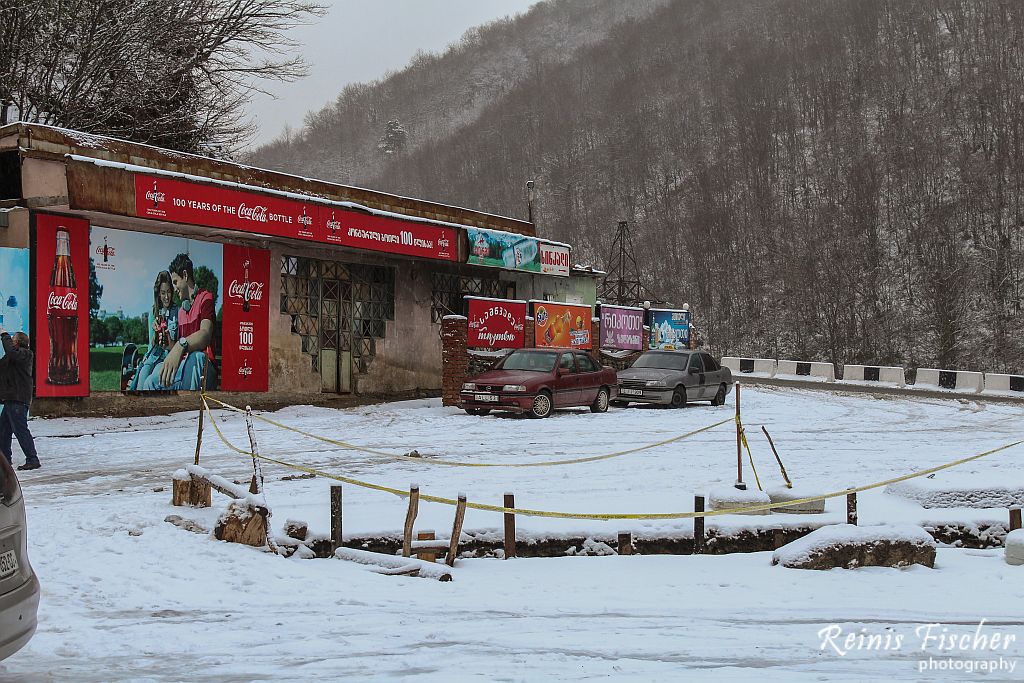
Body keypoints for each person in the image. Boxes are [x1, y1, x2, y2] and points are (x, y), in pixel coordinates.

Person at [143, 253, 217, 391]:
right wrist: (168, 342)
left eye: (175, 282)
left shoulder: (205, 298)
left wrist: (180, 346)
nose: (174, 288)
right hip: (184, 369)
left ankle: (190, 410)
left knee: (196, 357)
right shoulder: (182, 311)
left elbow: (205, 335)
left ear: (185, 275)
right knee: (150, 383)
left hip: (203, 368)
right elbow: (176, 347)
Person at [129, 271, 179, 391]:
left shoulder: (178, 311)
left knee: (149, 383)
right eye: (163, 293)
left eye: (168, 292)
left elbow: (177, 344)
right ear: (158, 294)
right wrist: (156, 333)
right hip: (153, 356)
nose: (166, 297)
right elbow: (152, 345)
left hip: (167, 358)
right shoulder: (153, 312)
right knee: (141, 381)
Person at [0, 327, 40, 470]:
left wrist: (4, 334)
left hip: (18, 399)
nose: (11, 342)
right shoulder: (13, 357)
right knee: (3, 431)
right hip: (11, 399)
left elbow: (11, 352)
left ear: (17, 343)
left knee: (20, 430)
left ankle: (32, 459)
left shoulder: (25, 354)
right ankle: (5, 461)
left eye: (12, 339)